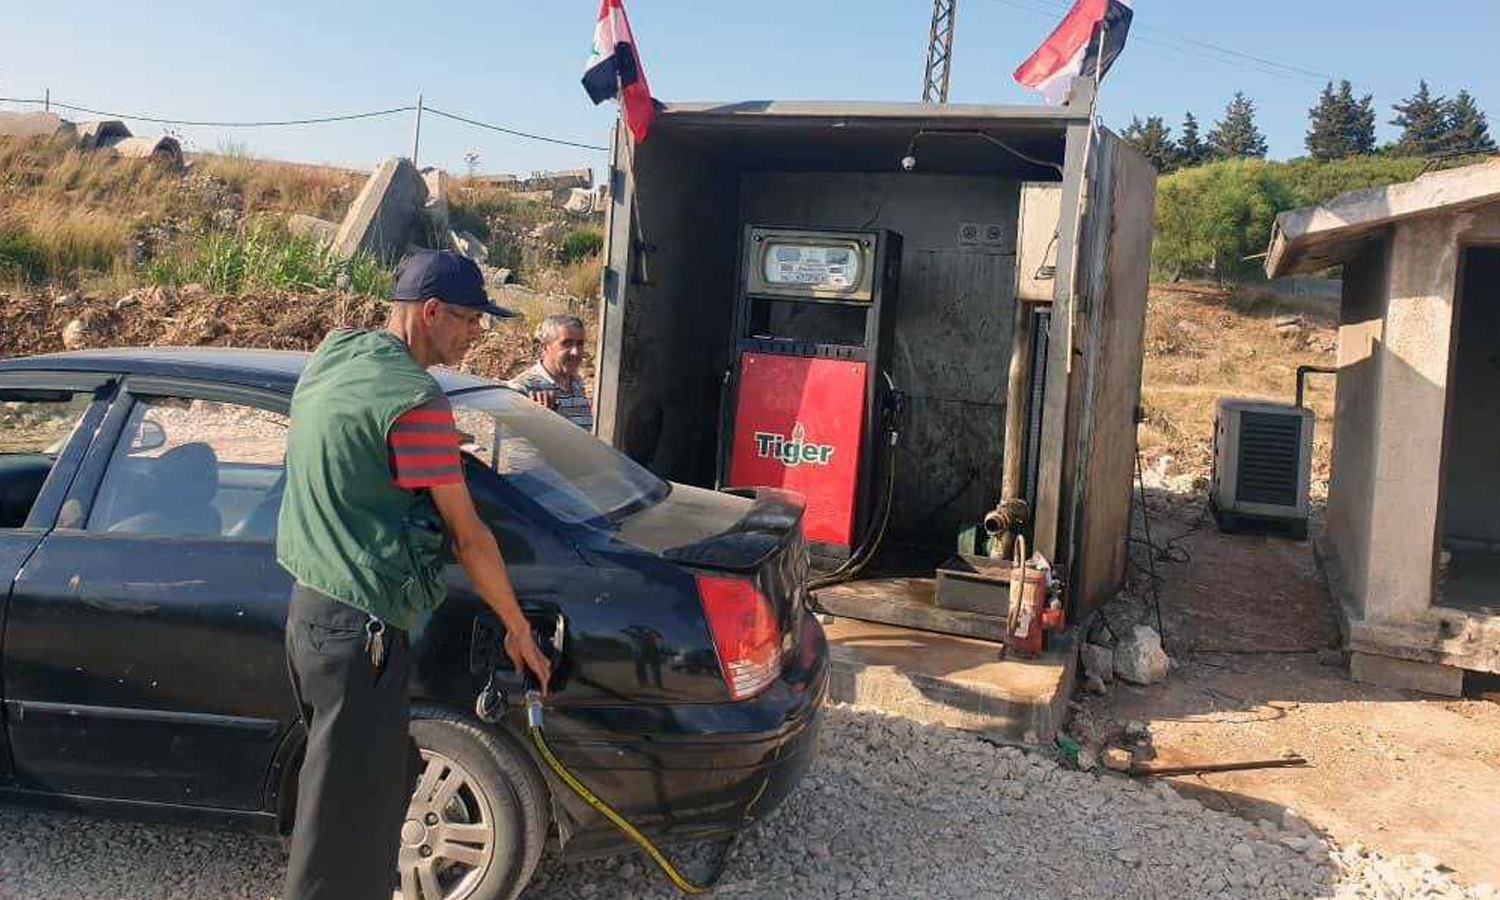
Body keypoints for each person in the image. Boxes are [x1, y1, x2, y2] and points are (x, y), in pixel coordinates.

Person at [275, 249, 552, 900]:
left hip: (308, 619)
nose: (475, 335)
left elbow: (354, 448)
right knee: (348, 835)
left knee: (352, 792)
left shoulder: (336, 354)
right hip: (360, 634)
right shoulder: (418, 402)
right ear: (430, 312)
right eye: (469, 320)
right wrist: (517, 630)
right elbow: (469, 537)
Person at [509, 313, 593, 430]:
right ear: (544, 347)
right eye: (567, 344)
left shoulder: (577, 384)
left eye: (580, 344)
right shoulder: (523, 388)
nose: (576, 352)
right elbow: (513, 443)